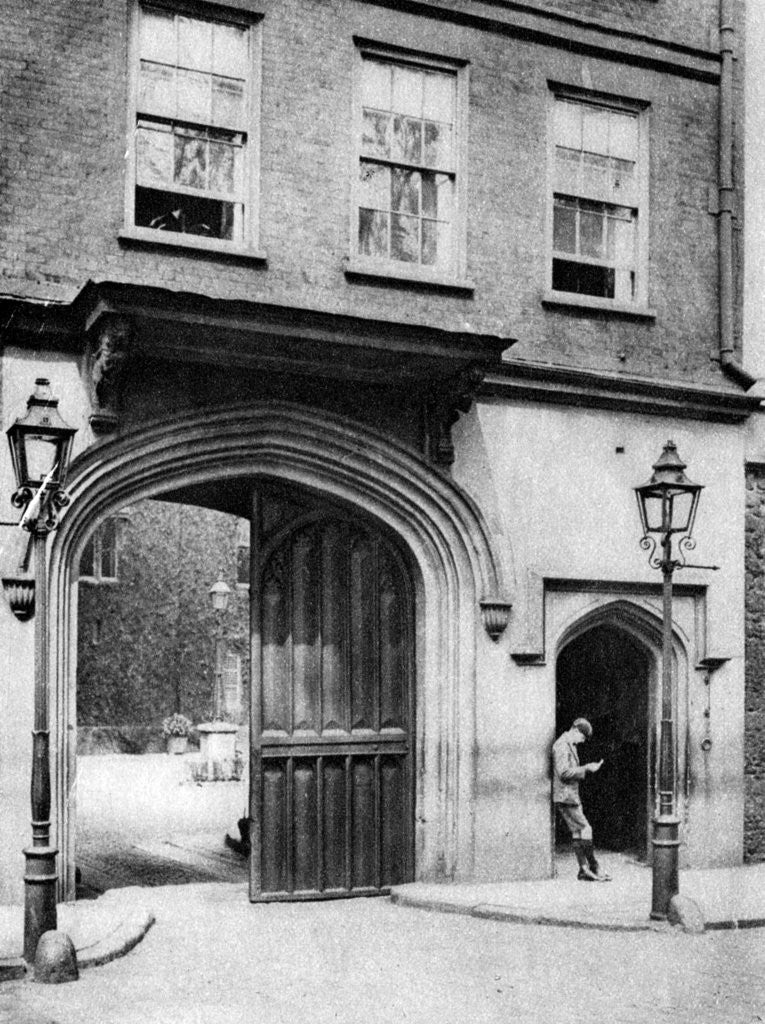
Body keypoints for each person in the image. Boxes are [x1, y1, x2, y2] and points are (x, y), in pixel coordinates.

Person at [552, 717, 611, 882]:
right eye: (583, 738)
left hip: (569, 796)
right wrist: (586, 768)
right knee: (586, 829)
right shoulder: (562, 745)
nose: (582, 741)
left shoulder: (569, 744)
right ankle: (594, 866)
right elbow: (563, 773)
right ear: (576, 731)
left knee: (577, 832)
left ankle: (584, 869)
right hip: (566, 797)